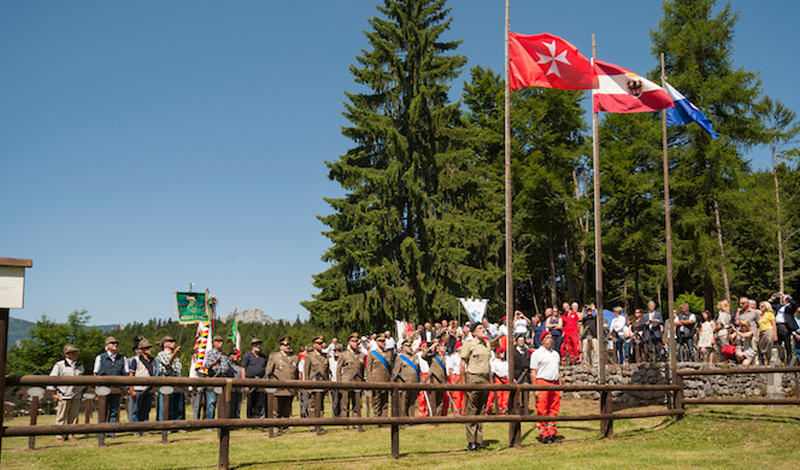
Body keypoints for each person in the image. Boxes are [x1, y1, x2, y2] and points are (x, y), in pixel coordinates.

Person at [460, 322, 491, 451]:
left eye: (483, 328)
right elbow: (462, 364)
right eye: (480, 328)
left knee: (481, 409)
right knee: (472, 409)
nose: (483, 330)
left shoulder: (486, 344)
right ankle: (471, 441)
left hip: (485, 378)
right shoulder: (469, 344)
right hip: (473, 377)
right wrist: (464, 383)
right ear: (473, 332)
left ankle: (479, 440)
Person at [93, 335, 129, 437]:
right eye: (113, 343)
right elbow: (95, 374)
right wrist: (97, 388)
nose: (115, 345)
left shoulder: (123, 358)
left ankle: (111, 432)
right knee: (102, 410)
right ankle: (101, 431)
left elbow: (125, 374)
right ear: (107, 345)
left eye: (116, 343)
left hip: (117, 388)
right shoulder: (100, 357)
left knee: (114, 410)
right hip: (103, 388)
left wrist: (123, 388)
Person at [530, 331, 561, 444]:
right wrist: (535, 388)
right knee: (542, 409)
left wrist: (560, 387)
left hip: (554, 383)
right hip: (542, 381)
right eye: (547, 338)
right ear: (542, 340)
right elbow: (533, 372)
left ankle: (552, 433)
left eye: (551, 338)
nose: (550, 340)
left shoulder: (555, 354)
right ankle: (543, 433)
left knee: (554, 408)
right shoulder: (537, 354)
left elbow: (559, 371)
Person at [49, 344, 85, 441]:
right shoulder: (59, 365)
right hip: (63, 394)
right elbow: (51, 379)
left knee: (74, 416)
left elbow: (82, 381)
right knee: (61, 415)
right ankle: (59, 435)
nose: (76, 354)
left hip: (76, 394)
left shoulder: (80, 366)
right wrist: (53, 393)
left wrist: (81, 392)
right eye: (73, 352)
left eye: (76, 352)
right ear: (67, 354)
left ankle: (70, 435)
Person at [265, 335, 298, 432]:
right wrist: (268, 385)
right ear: (280, 346)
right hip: (277, 388)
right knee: (276, 409)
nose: (288, 346)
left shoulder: (294, 358)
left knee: (286, 409)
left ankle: (284, 426)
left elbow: (295, 373)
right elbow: (268, 372)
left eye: (289, 344)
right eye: (285, 344)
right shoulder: (274, 357)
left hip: (290, 388)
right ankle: (275, 426)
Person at [304, 335, 331, 432]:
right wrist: (307, 385)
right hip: (313, 384)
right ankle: (312, 425)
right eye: (319, 343)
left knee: (321, 405)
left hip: (322, 384)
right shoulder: (309, 356)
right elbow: (306, 372)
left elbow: (327, 371)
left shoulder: (325, 356)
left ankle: (320, 424)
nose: (321, 345)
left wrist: (328, 385)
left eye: (322, 343)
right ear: (314, 345)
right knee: (312, 406)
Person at [337, 333, 365, 422]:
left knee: (357, 404)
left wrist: (362, 382)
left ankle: (356, 422)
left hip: (357, 382)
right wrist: (339, 383)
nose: (356, 343)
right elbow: (338, 370)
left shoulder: (361, 355)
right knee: (345, 404)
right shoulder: (344, 355)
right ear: (349, 342)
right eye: (354, 341)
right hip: (346, 382)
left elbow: (362, 371)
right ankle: (345, 422)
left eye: (357, 341)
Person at [129, 339, 156, 432]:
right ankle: (136, 430)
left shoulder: (152, 361)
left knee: (146, 410)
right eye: (147, 348)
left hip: (148, 389)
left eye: (150, 348)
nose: (150, 349)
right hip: (138, 388)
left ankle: (144, 429)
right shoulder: (135, 360)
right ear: (142, 350)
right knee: (135, 410)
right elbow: (131, 375)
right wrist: (131, 390)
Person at [156, 335, 184, 421]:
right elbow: (168, 366)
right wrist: (174, 355)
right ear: (165, 344)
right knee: (167, 406)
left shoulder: (176, 356)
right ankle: (166, 425)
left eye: (174, 341)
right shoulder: (161, 354)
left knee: (178, 406)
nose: (173, 343)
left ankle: (178, 425)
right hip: (167, 382)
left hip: (178, 383)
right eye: (171, 341)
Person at [366, 333, 393, 420]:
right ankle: (377, 419)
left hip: (386, 380)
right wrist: (370, 381)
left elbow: (391, 368)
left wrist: (391, 379)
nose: (383, 342)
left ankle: (384, 419)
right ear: (377, 342)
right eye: (381, 341)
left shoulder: (388, 354)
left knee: (385, 401)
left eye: (384, 341)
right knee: (377, 401)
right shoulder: (372, 354)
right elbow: (368, 369)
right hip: (376, 380)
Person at [392, 337, 420, 418]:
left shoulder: (415, 357)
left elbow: (419, 371)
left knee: (412, 402)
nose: (409, 347)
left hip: (414, 383)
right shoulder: (400, 358)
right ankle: (403, 418)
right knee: (403, 402)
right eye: (407, 346)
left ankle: (411, 418)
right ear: (403, 347)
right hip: (404, 383)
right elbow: (396, 372)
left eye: (410, 345)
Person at [241, 338, 268, 419]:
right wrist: (244, 384)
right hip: (250, 380)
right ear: (252, 345)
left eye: (259, 344)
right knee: (250, 402)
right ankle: (249, 420)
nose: (258, 346)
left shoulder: (263, 357)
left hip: (260, 381)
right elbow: (243, 369)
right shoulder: (247, 356)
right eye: (256, 344)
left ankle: (257, 419)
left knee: (259, 402)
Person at [204, 335, 230, 419]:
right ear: (214, 343)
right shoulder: (210, 353)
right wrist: (214, 363)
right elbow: (207, 365)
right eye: (218, 341)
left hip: (223, 379)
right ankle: (210, 422)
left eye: (221, 341)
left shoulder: (225, 355)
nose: (221, 343)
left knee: (223, 402)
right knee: (211, 402)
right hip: (213, 378)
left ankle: (222, 421)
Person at [771, 292, 798, 364]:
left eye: (784, 299)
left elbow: (794, 304)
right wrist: (772, 299)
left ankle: (789, 361)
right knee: (777, 343)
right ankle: (780, 359)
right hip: (777, 326)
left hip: (785, 326)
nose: (783, 300)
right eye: (782, 299)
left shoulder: (790, 307)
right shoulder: (779, 306)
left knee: (787, 344)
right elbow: (770, 306)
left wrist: (785, 297)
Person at [424, 339, 448, 416]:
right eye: (436, 345)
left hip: (441, 381)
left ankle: (438, 416)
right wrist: (431, 348)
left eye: (438, 345)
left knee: (440, 401)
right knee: (433, 401)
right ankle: (433, 417)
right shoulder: (431, 357)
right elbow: (423, 355)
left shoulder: (443, 357)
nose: (437, 347)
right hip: (433, 381)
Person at [487, 346, 509, 415]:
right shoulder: (495, 362)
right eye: (501, 353)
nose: (503, 354)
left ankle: (503, 410)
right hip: (498, 379)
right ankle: (493, 409)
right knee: (498, 395)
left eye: (504, 352)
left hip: (505, 379)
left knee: (505, 396)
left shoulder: (505, 363)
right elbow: (493, 371)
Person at [447, 341, 465, 416]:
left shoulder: (465, 356)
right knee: (457, 395)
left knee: (464, 395)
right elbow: (450, 369)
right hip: (456, 376)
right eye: (461, 346)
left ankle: (463, 412)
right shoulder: (453, 357)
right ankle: (456, 412)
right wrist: (451, 379)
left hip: (464, 376)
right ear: (457, 348)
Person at [758, 301, 777, 365]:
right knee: (762, 346)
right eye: (760, 306)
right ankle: (766, 359)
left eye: (762, 306)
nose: (760, 307)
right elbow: (759, 326)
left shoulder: (770, 314)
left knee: (768, 343)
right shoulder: (760, 316)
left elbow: (774, 324)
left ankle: (769, 359)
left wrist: (775, 334)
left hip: (768, 330)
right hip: (762, 331)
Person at [227, 350, 243, 419]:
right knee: (231, 405)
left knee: (238, 404)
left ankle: (237, 419)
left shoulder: (240, 366)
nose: (235, 356)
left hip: (239, 387)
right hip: (231, 387)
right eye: (233, 355)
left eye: (236, 355)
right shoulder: (228, 366)